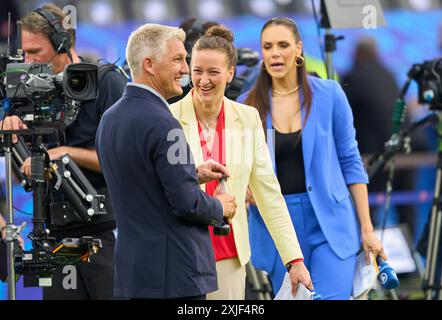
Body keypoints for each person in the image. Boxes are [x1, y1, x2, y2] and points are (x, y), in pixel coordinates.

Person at [238, 17, 387, 300]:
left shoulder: (330, 95)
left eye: (283, 45)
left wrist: (367, 229)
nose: (275, 53)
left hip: (331, 223)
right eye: (267, 47)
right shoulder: (246, 105)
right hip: (277, 228)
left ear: (299, 49)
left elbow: (351, 162)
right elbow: (236, 167)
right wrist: (245, 188)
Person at [96, 23, 238, 300]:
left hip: (134, 277)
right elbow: (187, 203)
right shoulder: (164, 122)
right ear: (149, 64)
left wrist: (191, 173)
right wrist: (220, 206)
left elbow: (141, 179)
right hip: (174, 280)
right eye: (178, 59)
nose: (186, 69)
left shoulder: (110, 118)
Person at [170, 25, 313, 300]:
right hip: (181, 254)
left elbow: (269, 194)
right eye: (197, 71)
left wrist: (294, 260)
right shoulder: (167, 117)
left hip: (229, 255)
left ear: (230, 73)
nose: (203, 80)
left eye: (214, 72)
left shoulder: (247, 119)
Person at [0, 4, 128, 299]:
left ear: (63, 43)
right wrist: (14, 141)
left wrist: (65, 153)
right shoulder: (23, 92)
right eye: (24, 53)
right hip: (54, 238)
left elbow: (126, 161)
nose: (28, 61)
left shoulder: (107, 82)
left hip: (107, 232)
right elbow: (25, 178)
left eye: (35, 52)